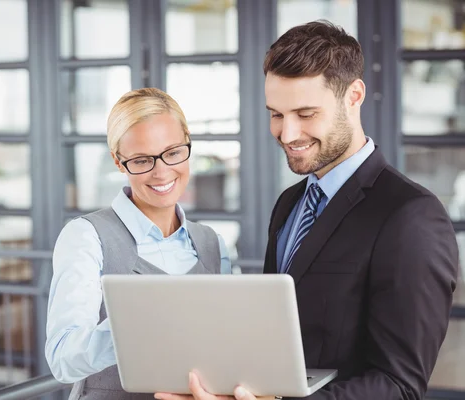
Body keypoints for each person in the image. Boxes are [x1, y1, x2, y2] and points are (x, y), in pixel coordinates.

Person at [155, 20, 459, 400]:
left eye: (306, 113)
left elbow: (399, 385)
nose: (287, 134)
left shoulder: (411, 216)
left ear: (354, 96)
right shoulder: (289, 204)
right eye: (276, 114)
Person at [45, 87, 232, 400]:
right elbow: (63, 360)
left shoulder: (213, 245)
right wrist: (134, 325)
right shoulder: (86, 236)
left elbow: (226, 350)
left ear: (187, 141)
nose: (162, 172)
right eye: (143, 160)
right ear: (119, 162)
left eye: (173, 152)